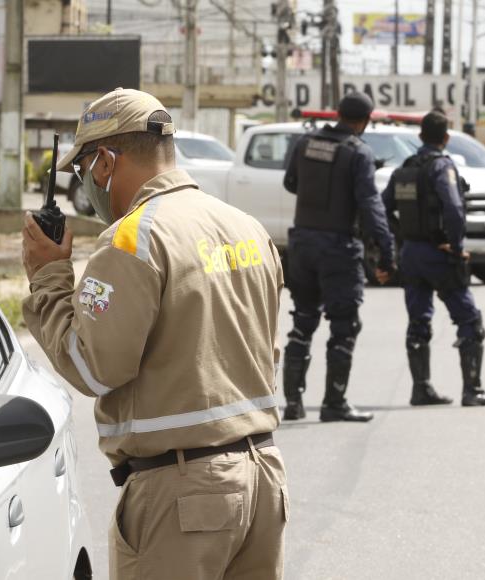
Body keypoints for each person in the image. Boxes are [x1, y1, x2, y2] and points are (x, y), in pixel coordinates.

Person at [21, 88, 289, 579]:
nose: (86, 185)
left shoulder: (133, 237)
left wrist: (47, 279)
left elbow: (92, 365)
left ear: (105, 162)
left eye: (82, 171)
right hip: (261, 481)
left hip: (183, 497)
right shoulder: (247, 228)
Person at [281, 91, 396, 423]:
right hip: (338, 249)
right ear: (363, 121)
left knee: (302, 321)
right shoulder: (357, 152)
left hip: (302, 244)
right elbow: (372, 207)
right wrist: (386, 255)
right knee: (344, 326)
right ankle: (334, 403)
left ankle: (292, 403)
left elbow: (291, 182)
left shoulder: (305, 143)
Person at [381, 111, 485, 407]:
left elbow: (383, 208)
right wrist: (455, 244)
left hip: (411, 254)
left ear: (420, 136)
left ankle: (421, 389)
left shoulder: (404, 169)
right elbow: (453, 207)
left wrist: (403, 237)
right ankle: (471, 390)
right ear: (446, 138)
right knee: (470, 320)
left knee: (418, 322)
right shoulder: (441, 167)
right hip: (438, 254)